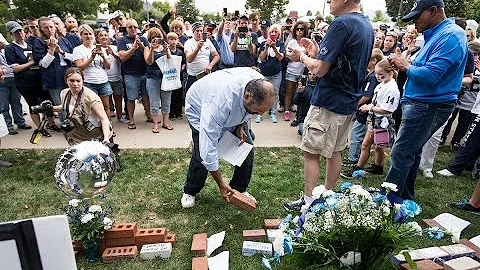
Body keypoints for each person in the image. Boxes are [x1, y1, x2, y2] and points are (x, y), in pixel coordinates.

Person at [283, 0, 374, 211]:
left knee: (311, 152)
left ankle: (308, 202)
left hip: (329, 100)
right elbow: (340, 62)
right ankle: (327, 198)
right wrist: (316, 52)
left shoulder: (341, 23)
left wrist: (302, 56)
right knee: (335, 151)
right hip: (348, 100)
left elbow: (320, 69)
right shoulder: (365, 25)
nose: (328, 2)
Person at [384, 0, 468, 200]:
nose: (413, 22)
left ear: (433, 11)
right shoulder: (440, 34)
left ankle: (389, 202)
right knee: (410, 152)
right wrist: (407, 64)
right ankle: (403, 200)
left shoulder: (451, 35)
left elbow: (431, 76)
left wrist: (405, 65)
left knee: (401, 153)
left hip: (429, 103)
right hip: (423, 102)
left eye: (417, 16)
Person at [181, 67, 275, 208]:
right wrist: (221, 184)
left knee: (246, 148)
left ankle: (238, 189)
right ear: (247, 96)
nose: (260, 115)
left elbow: (248, 110)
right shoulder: (219, 103)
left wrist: (240, 124)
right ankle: (190, 191)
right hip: (199, 109)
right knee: (202, 153)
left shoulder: (258, 83)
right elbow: (209, 150)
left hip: (231, 111)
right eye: (258, 111)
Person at [341, 59, 400, 178]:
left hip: (382, 121)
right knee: (376, 146)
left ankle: (358, 168)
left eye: (381, 75)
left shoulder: (392, 88)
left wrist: (370, 107)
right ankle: (377, 167)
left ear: (391, 73)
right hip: (375, 119)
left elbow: (388, 109)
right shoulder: (383, 84)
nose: (378, 77)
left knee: (368, 144)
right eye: (377, 74)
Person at [4, 21, 54, 136]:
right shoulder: (10, 48)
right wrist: (31, 63)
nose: (19, 34)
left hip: (40, 79)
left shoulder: (31, 45)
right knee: (33, 105)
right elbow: (15, 69)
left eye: (20, 30)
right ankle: (40, 128)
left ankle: (51, 124)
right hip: (25, 82)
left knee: (47, 102)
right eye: (16, 32)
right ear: (11, 35)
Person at [343, 48, 383, 166]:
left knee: (357, 133)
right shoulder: (370, 75)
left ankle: (353, 158)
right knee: (359, 133)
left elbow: (367, 96)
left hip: (365, 111)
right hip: (364, 111)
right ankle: (354, 156)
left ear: (374, 61)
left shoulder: (373, 77)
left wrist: (356, 104)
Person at [53, 67, 112, 145]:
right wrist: (51, 108)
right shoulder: (64, 93)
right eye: (72, 80)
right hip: (77, 134)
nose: (75, 84)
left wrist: (106, 139)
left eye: (78, 81)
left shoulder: (91, 97)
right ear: (66, 81)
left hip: (95, 134)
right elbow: (67, 107)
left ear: (83, 81)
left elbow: (104, 118)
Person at [117, 19, 151, 130]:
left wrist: (140, 45)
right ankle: (131, 119)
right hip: (130, 74)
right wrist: (133, 47)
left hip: (144, 73)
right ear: (126, 29)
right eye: (130, 27)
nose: (133, 29)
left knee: (146, 96)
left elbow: (148, 54)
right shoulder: (122, 40)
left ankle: (148, 115)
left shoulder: (143, 39)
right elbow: (122, 57)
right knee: (131, 98)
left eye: (135, 27)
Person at [72, 25, 112, 119]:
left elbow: (108, 66)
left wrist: (102, 56)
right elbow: (80, 67)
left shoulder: (100, 48)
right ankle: (96, 129)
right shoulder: (78, 49)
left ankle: (108, 126)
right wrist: (92, 57)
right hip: (88, 82)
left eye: (90, 34)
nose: (89, 36)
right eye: (86, 34)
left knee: (106, 106)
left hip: (103, 81)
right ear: (81, 36)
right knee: (92, 107)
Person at [0, 33, 31, 135]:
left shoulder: (8, 49)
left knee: (16, 102)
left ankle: (20, 122)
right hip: (2, 81)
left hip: (13, 78)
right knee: (3, 105)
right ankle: (8, 126)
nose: (1, 43)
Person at [144, 28, 174, 133]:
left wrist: (166, 50)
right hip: (152, 78)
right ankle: (155, 123)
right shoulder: (147, 48)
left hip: (165, 78)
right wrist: (152, 49)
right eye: (153, 37)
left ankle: (165, 122)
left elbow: (170, 61)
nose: (155, 40)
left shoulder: (164, 47)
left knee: (166, 101)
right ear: (150, 39)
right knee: (154, 102)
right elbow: (149, 62)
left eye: (157, 37)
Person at [96, 28, 127, 124]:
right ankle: (107, 120)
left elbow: (121, 60)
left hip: (117, 78)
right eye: (101, 35)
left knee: (118, 98)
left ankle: (119, 117)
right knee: (106, 102)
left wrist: (113, 54)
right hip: (104, 79)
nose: (104, 37)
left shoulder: (114, 47)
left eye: (105, 35)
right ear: (97, 38)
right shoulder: (96, 49)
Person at [256, 24, 285, 123]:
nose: (273, 33)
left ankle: (273, 113)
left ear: (278, 34)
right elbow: (262, 58)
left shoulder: (281, 44)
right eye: (272, 32)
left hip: (276, 73)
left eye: (275, 32)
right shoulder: (263, 43)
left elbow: (281, 58)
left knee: (274, 93)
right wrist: (267, 47)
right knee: (262, 93)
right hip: (264, 72)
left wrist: (274, 48)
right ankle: (260, 113)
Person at [283, 20, 309, 121]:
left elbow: (309, 55)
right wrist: (296, 56)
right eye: (297, 29)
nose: (299, 31)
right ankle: (286, 111)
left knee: (301, 93)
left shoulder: (307, 42)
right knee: (289, 92)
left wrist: (297, 56)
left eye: (301, 29)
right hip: (292, 71)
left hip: (303, 72)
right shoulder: (292, 42)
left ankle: (299, 113)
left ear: (305, 31)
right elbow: (286, 57)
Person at [184, 22, 220, 91]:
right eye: (197, 31)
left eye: (201, 31)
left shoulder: (208, 42)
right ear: (193, 32)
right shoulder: (188, 42)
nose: (199, 33)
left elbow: (216, 56)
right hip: (193, 76)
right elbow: (189, 59)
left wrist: (211, 65)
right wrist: (198, 48)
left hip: (205, 75)